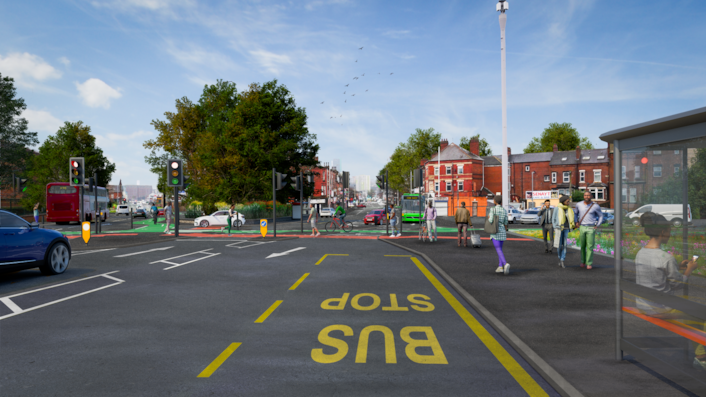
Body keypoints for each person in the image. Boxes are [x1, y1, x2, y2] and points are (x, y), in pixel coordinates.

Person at [634, 212, 703, 370]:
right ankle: (701, 356)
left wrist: (677, 267)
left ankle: (701, 355)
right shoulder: (666, 257)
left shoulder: (640, 253)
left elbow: (655, 276)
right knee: (700, 314)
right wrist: (689, 270)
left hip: (643, 304)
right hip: (661, 308)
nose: (670, 234)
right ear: (663, 233)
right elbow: (677, 285)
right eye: (669, 232)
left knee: (692, 313)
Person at [574, 191, 603, 270]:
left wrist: (597, 225)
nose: (586, 196)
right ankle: (583, 262)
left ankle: (589, 263)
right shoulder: (579, 204)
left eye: (588, 195)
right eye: (585, 195)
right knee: (582, 246)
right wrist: (576, 221)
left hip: (591, 227)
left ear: (591, 196)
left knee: (590, 246)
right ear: (584, 196)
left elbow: (601, 216)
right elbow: (575, 213)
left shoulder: (595, 206)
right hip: (582, 227)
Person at [488, 195, 510, 275]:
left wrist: (489, 217)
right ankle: (500, 267)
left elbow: (490, 221)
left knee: (498, 249)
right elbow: (506, 222)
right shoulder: (504, 210)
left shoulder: (493, 209)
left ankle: (505, 264)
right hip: (502, 232)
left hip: (495, 231)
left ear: (495, 201)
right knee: (500, 249)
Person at [552, 195, 575, 268]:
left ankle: (562, 259)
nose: (569, 201)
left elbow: (572, 218)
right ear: (563, 201)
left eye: (569, 200)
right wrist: (555, 227)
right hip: (559, 228)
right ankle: (559, 257)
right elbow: (553, 219)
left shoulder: (569, 209)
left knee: (565, 245)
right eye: (567, 200)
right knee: (559, 245)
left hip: (567, 229)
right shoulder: (557, 209)